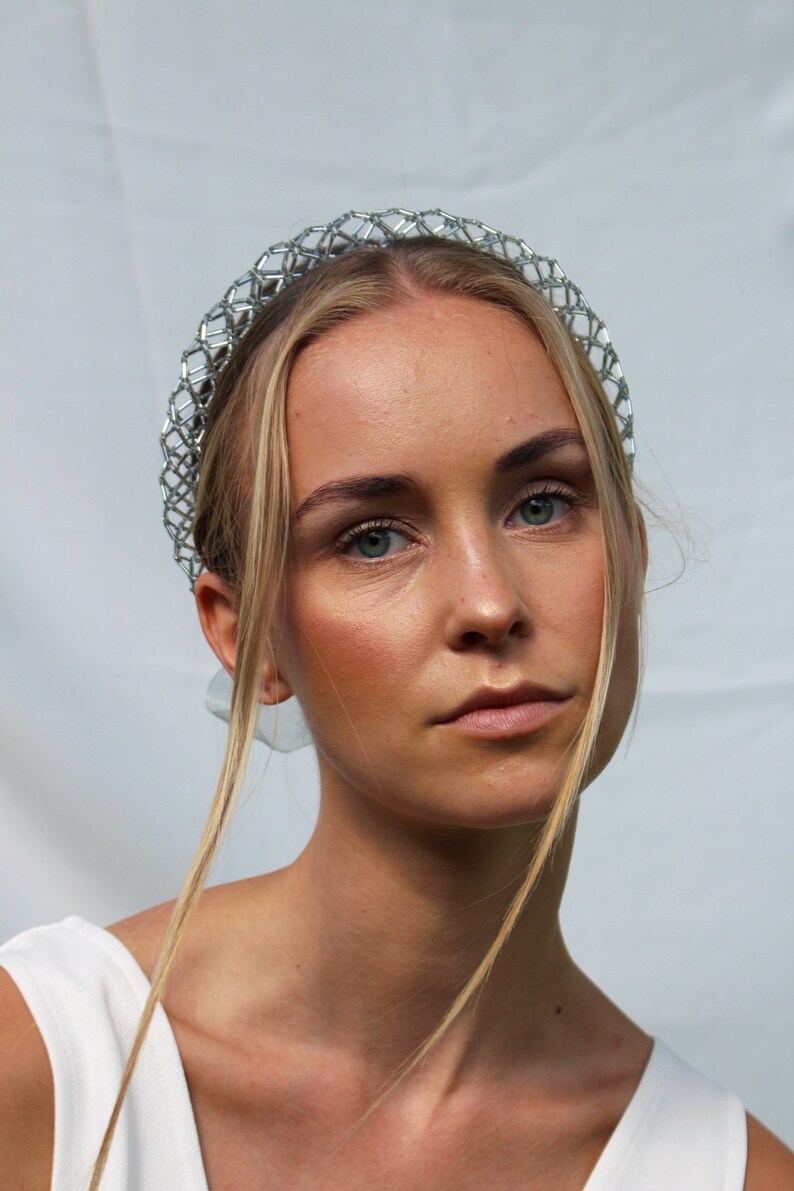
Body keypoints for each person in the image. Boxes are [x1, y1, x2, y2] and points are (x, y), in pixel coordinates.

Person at [0, 211, 791, 1190]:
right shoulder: (37, 1068)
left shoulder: (735, 1175)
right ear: (247, 639)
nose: (489, 603)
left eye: (541, 504)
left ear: (628, 552)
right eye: (372, 537)